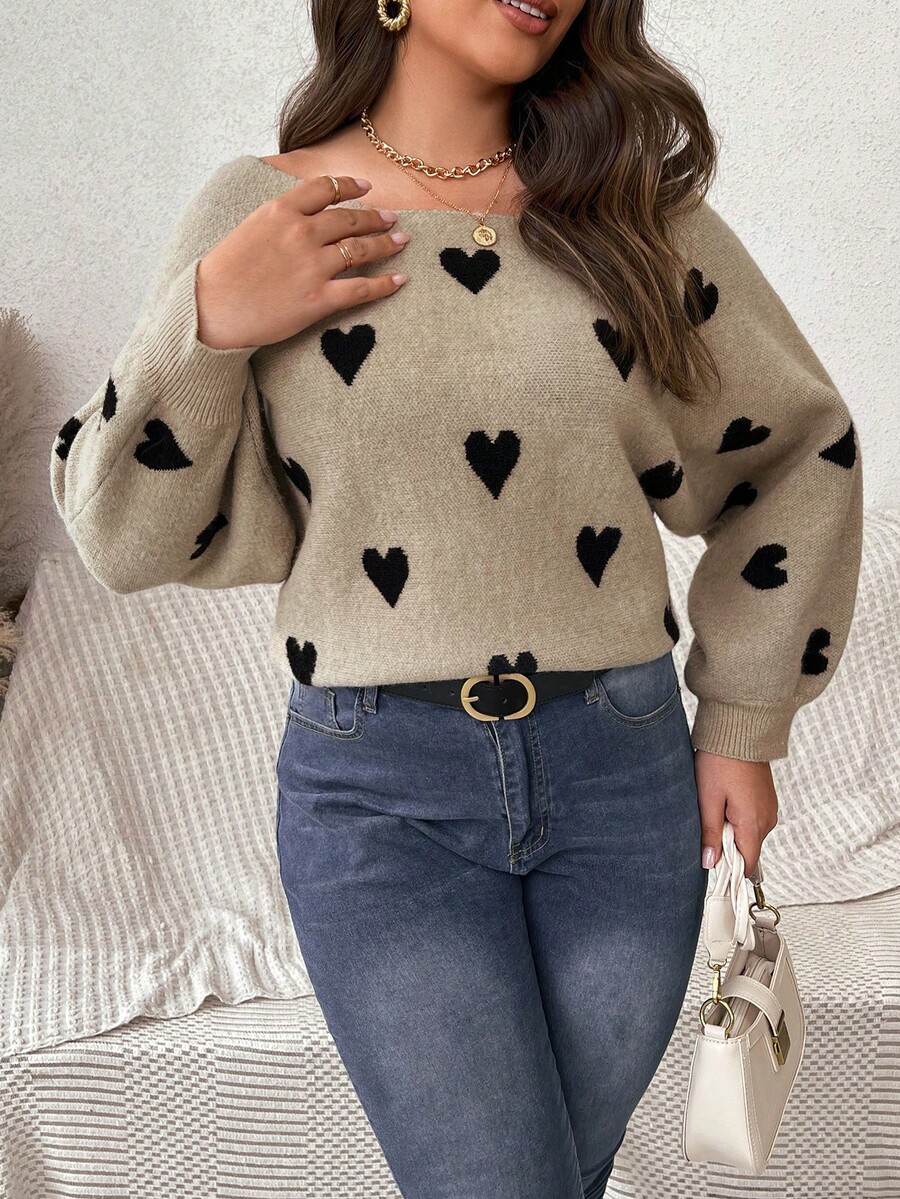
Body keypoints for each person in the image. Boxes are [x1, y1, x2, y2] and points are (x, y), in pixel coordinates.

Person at [50, 0, 864, 1194]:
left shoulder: (632, 214)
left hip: (625, 782)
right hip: (378, 796)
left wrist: (745, 719)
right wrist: (207, 321)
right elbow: (121, 534)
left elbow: (799, 451)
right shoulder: (266, 213)